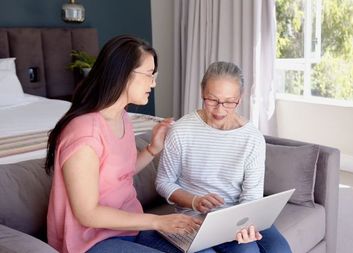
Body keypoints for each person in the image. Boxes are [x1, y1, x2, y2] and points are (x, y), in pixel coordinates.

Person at [44, 35, 204, 253]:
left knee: (204, 249)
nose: (154, 83)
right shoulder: (84, 133)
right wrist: (156, 221)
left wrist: (152, 149)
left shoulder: (122, 117)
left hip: (129, 228)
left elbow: (119, 175)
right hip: (91, 240)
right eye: (149, 74)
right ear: (123, 74)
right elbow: (87, 213)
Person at [156, 61, 292, 253]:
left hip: (237, 215)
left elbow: (252, 197)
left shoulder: (252, 138)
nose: (219, 110)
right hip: (195, 218)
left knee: (280, 249)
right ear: (202, 92)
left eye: (229, 102)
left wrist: (245, 224)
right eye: (212, 100)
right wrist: (194, 200)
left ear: (240, 98)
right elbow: (163, 181)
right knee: (247, 251)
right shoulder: (181, 131)